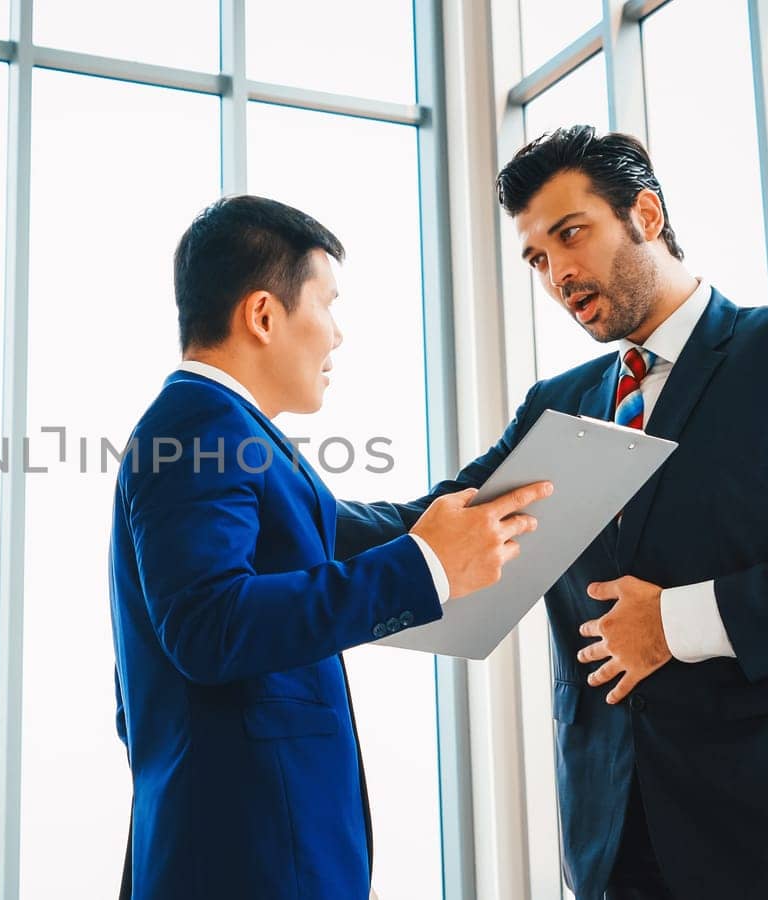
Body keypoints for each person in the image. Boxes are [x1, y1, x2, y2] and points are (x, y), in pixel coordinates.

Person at [338, 125, 768, 900]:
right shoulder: (559, 404)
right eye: (536, 258)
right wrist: (273, 500)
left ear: (647, 217)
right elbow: (445, 518)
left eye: (570, 235)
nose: (558, 273)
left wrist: (678, 623)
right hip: (618, 845)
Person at [108, 194, 550, 899]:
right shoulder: (201, 430)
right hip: (245, 859)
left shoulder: (229, 433)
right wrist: (426, 566)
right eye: (328, 303)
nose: (338, 335)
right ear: (263, 314)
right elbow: (207, 625)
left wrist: (524, 455)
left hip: (246, 848)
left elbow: (376, 528)